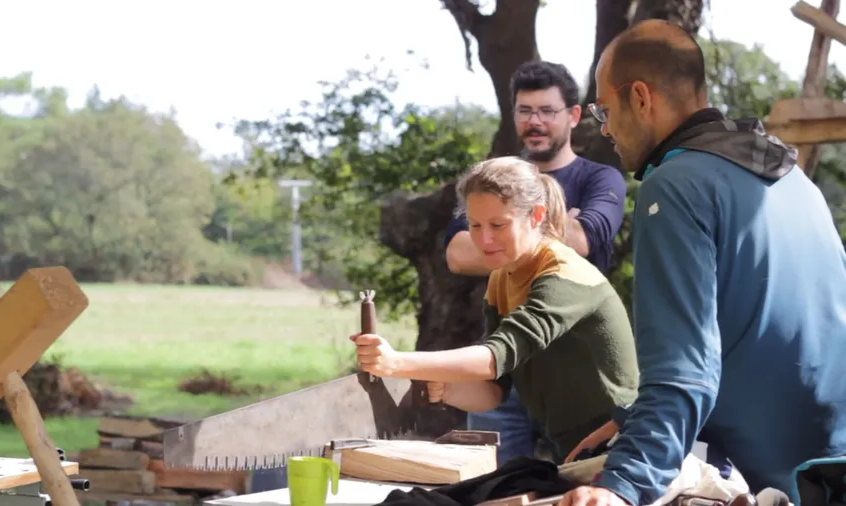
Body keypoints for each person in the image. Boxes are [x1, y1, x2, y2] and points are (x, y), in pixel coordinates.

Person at [559, 19, 846, 506]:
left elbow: (685, 371)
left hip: (786, 484)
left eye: (604, 110)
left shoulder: (674, 186)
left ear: (641, 98)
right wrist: (635, 418)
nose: (604, 129)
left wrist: (623, 483)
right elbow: (759, 331)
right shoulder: (795, 181)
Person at [353, 156, 640, 463]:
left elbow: (495, 356)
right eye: (475, 225)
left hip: (626, 445)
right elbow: (494, 390)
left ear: (536, 216)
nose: (484, 239)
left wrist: (396, 362)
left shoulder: (564, 274)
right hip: (576, 450)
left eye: (498, 225)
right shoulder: (502, 279)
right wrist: (446, 388)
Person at [443, 60, 628, 466]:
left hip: (574, 373)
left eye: (547, 110)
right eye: (525, 111)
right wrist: (550, 230)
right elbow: (456, 253)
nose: (535, 121)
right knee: (492, 483)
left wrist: (514, 242)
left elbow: (583, 242)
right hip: (505, 370)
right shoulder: (493, 179)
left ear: (574, 116)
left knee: (582, 480)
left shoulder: (601, 178)